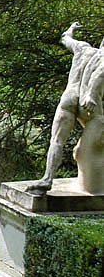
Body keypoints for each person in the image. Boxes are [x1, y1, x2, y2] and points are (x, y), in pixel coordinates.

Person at [28, 22, 104, 194]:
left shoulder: (82, 48)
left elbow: (65, 38)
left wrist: (72, 28)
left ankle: (47, 178)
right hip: (87, 102)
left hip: (69, 98)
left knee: (56, 140)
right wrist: (91, 94)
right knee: (100, 126)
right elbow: (100, 73)